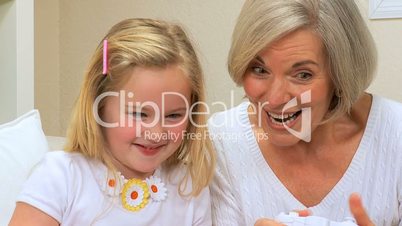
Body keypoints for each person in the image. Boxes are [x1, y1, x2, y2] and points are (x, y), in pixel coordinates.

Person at [208, 0, 402, 226]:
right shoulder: (222, 139)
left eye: (303, 75)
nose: (274, 99)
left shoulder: (396, 133)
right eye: (259, 70)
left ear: (340, 74)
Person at [9, 18, 215, 226]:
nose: (156, 132)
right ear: (99, 106)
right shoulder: (61, 177)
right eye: (137, 114)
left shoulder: (189, 186)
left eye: (173, 116)